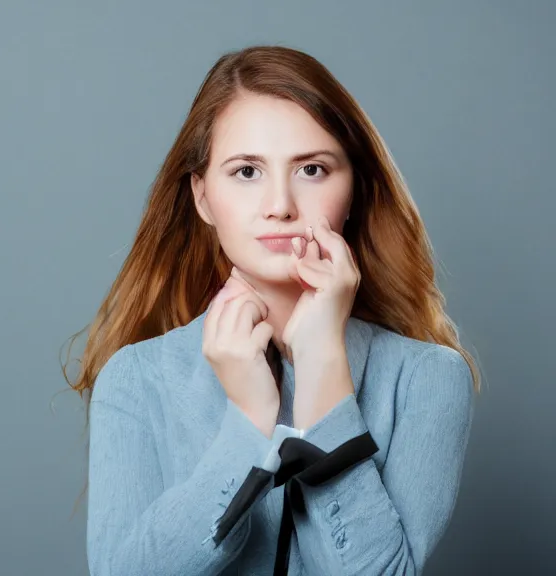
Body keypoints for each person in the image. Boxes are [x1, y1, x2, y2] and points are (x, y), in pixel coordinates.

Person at [64, 44, 481, 575]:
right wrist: (248, 425)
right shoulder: (137, 378)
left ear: (352, 190)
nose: (280, 204)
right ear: (202, 197)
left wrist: (323, 370)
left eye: (311, 168)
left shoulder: (427, 378)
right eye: (246, 172)